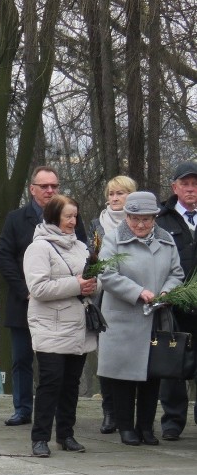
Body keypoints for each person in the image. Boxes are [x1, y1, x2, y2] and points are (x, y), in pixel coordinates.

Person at [0, 166, 87, 426]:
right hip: (23, 301)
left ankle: (58, 414)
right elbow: (5, 258)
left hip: (62, 305)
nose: (50, 190)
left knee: (58, 366)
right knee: (22, 358)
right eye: (44, 186)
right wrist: (26, 291)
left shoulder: (71, 219)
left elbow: (79, 259)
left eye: (54, 186)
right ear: (32, 188)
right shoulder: (16, 218)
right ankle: (23, 408)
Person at [98, 192, 184, 446]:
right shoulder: (114, 240)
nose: (140, 225)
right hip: (124, 317)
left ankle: (146, 427)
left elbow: (176, 272)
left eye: (146, 219)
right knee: (123, 376)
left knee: (151, 375)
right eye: (135, 219)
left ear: (155, 218)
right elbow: (106, 274)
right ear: (127, 217)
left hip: (155, 317)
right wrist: (137, 292)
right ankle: (126, 428)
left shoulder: (166, 240)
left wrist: (168, 290)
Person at [24, 195, 97, 457]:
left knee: (71, 383)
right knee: (51, 382)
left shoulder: (81, 246)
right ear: (54, 217)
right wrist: (77, 284)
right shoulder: (39, 248)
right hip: (50, 326)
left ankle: (66, 434)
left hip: (78, 324)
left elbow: (92, 280)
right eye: (68, 216)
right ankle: (40, 438)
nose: (73, 221)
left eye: (75, 216)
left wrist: (93, 284)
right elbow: (38, 288)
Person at [88, 175, 137, 434]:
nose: (115, 198)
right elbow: (91, 257)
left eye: (121, 193)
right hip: (104, 296)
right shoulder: (98, 224)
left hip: (137, 297)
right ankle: (110, 411)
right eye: (111, 194)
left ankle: (131, 413)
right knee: (106, 356)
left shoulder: (143, 223)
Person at [154, 161, 197, 441]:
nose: (191, 189)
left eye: (195, 184)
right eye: (186, 184)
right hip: (175, 303)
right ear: (175, 188)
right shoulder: (162, 219)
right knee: (172, 362)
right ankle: (172, 420)